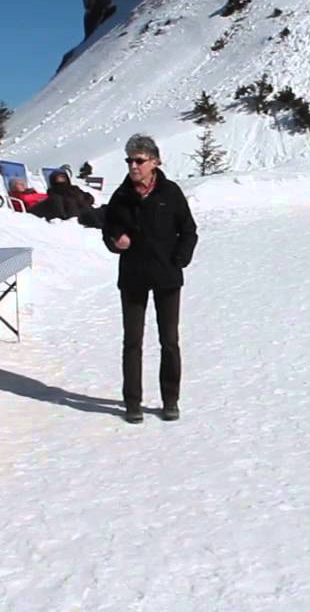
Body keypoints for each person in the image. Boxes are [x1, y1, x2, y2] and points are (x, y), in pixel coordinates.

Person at [102, 136, 198, 424]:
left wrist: (180, 258)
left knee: (169, 341)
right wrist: (114, 240)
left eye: (139, 160)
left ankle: (170, 401)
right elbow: (108, 229)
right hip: (133, 278)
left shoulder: (171, 192)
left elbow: (189, 231)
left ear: (154, 162)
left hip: (167, 277)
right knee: (132, 342)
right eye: (129, 160)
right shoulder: (120, 196)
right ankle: (133, 402)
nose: (133, 165)